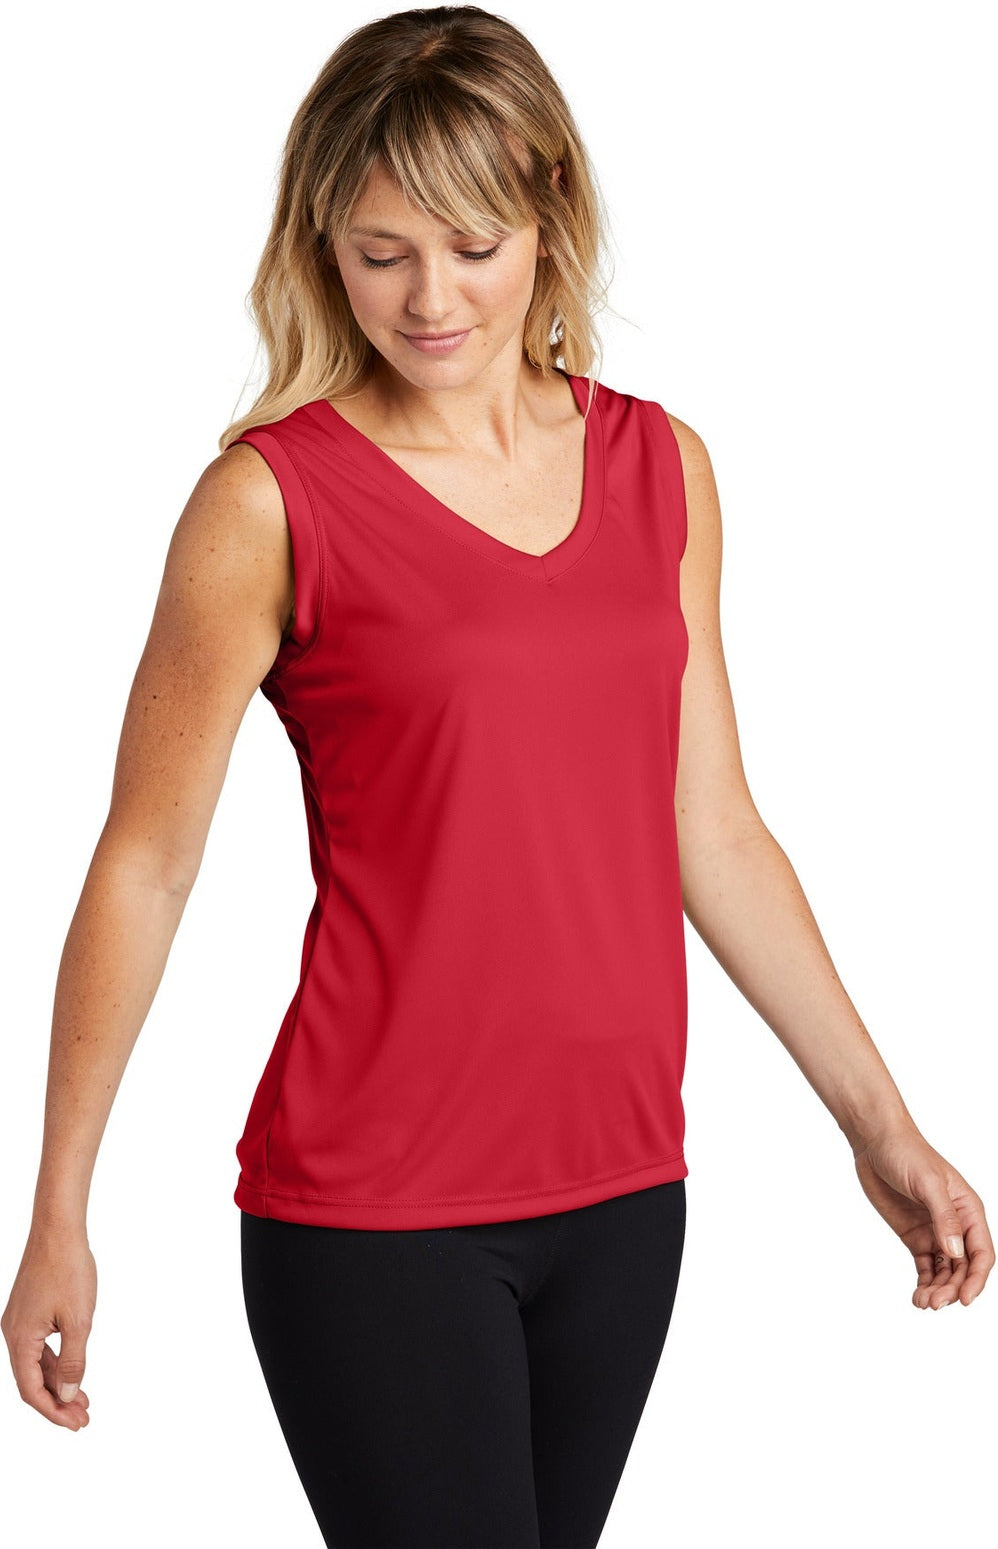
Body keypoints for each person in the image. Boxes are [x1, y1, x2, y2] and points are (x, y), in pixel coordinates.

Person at [2, 5, 993, 1547]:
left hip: (624, 1190)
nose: (429, 297)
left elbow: (712, 824)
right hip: (375, 1207)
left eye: (471, 246)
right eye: (380, 251)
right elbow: (147, 859)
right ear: (322, 245)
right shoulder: (266, 504)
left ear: (547, 215)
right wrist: (59, 1203)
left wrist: (879, 1122)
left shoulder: (662, 468)